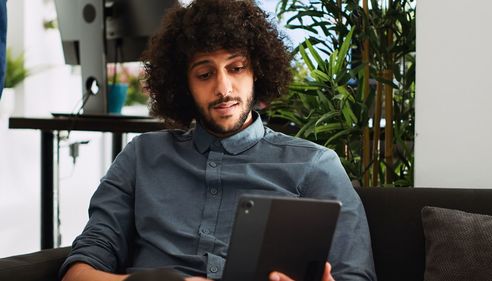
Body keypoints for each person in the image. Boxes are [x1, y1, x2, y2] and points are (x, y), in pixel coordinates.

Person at [60, 0, 376, 280]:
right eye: (204, 73)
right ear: (183, 84)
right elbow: (79, 271)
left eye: (236, 68)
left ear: (258, 72)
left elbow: (356, 275)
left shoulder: (314, 166)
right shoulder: (140, 158)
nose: (223, 88)